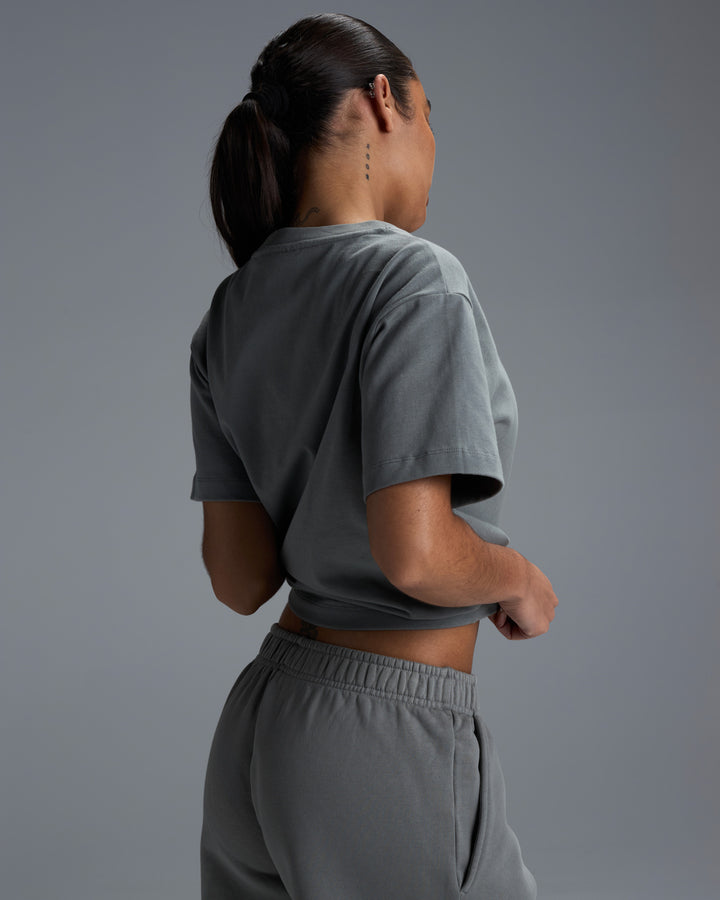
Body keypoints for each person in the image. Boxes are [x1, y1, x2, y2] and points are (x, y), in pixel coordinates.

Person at [189, 12, 558, 899]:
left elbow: (240, 579)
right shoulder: (415, 278)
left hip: (262, 732)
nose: (433, 146)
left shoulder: (231, 311)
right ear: (384, 101)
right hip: (380, 744)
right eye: (431, 115)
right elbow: (417, 554)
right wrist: (517, 578)